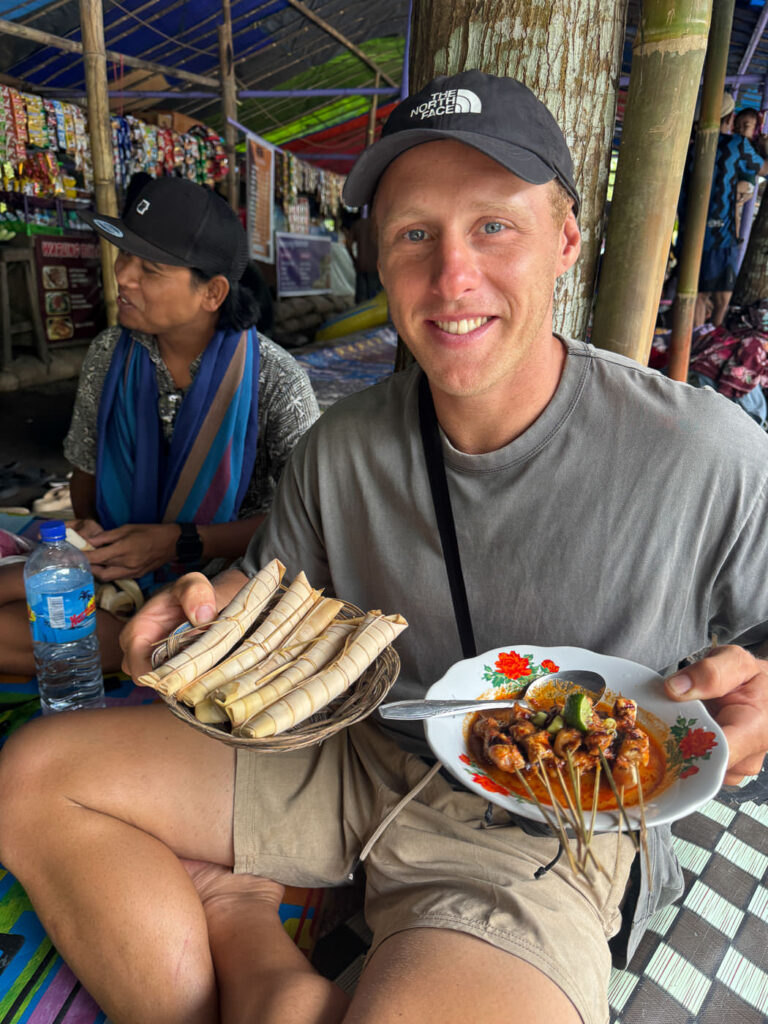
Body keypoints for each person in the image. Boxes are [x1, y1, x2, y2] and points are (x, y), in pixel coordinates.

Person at [1, 71, 768, 1024]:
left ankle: (239, 924)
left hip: (544, 814)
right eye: (414, 235)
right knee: (33, 777)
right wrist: (198, 607)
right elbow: (266, 585)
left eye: (495, 226)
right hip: (348, 752)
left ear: (567, 239)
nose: (452, 276)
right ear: (377, 258)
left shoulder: (703, 451)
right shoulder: (342, 448)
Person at [0, 176, 319, 675]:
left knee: (170, 639)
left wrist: (179, 542)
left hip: (218, 590)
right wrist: (93, 532)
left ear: (212, 292)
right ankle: (135, 647)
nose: (124, 276)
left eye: (150, 269)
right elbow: (86, 469)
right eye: (125, 256)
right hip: (118, 574)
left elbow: (309, 524)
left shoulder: (275, 379)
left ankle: (151, 649)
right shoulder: (111, 353)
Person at [692, 93, 768, 327]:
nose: (741, 129)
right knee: (708, 294)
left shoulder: (706, 146)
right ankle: (703, 335)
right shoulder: (736, 146)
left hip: (715, 231)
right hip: (718, 231)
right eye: (739, 124)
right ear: (730, 121)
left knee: (714, 295)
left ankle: (706, 334)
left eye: (747, 126)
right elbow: (762, 170)